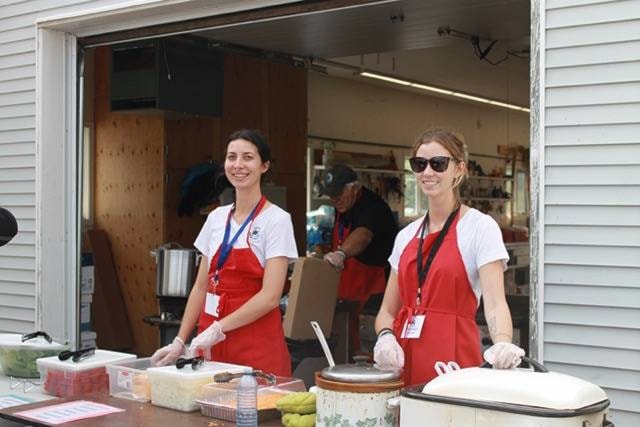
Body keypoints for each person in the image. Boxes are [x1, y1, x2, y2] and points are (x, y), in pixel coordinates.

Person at [373, 128, 524, 385]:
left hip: (453, 364)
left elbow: (496, 303)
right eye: (419, 164)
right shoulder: (406, 236)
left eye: (438, 163)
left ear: (459, 169)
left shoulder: (479, 228)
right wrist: (385, 337)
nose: (428, 172)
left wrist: (503, 342)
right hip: (405, 360)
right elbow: (387, 310)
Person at [151, 129, 299, 376]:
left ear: (264, 165)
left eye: (248, 157)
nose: (238, 165)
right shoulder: (216, 218)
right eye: (232, 157)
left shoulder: (277, 220)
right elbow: (201, 287)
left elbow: (270, 296)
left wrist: (218, 328)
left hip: (255, 343)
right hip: (210, 342)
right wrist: (180, 340)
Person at [321, 164, 398, 356]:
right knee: (346, 343)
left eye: (338, 193)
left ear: (354, 188)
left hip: (373, 292)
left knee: (367, 348)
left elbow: (362, 236)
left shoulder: (373, 206)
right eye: (331, 194)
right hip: (348, 289)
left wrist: (341, 253)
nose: (334, 199)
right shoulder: (343, 206)